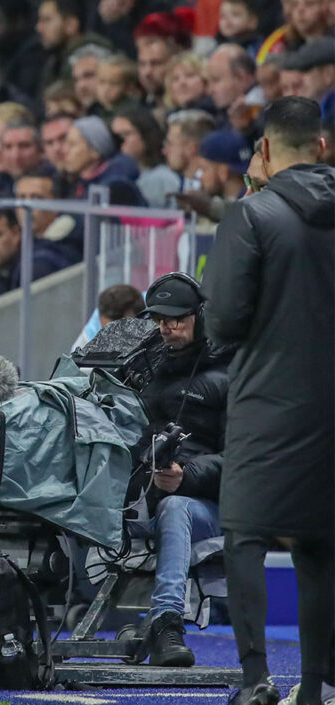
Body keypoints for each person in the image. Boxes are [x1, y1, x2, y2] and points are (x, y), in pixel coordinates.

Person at [202, 97, 334, 705]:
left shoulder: (252, 213)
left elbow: (223, 322)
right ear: (323, 147)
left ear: (264, 151)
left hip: (266, 403)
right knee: (321, 546)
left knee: (245, 537)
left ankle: (256, 680)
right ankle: (316, 686)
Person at [124, 272, 234, 668]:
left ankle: (167, 622)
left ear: (200, 317)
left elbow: (241, 458)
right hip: (143, 499)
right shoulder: (141, 371)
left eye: (177, 318)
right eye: (159, 320)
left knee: (177, 508)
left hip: (212, 507)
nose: (167, 327)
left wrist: (185, 476)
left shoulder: (232, 376)